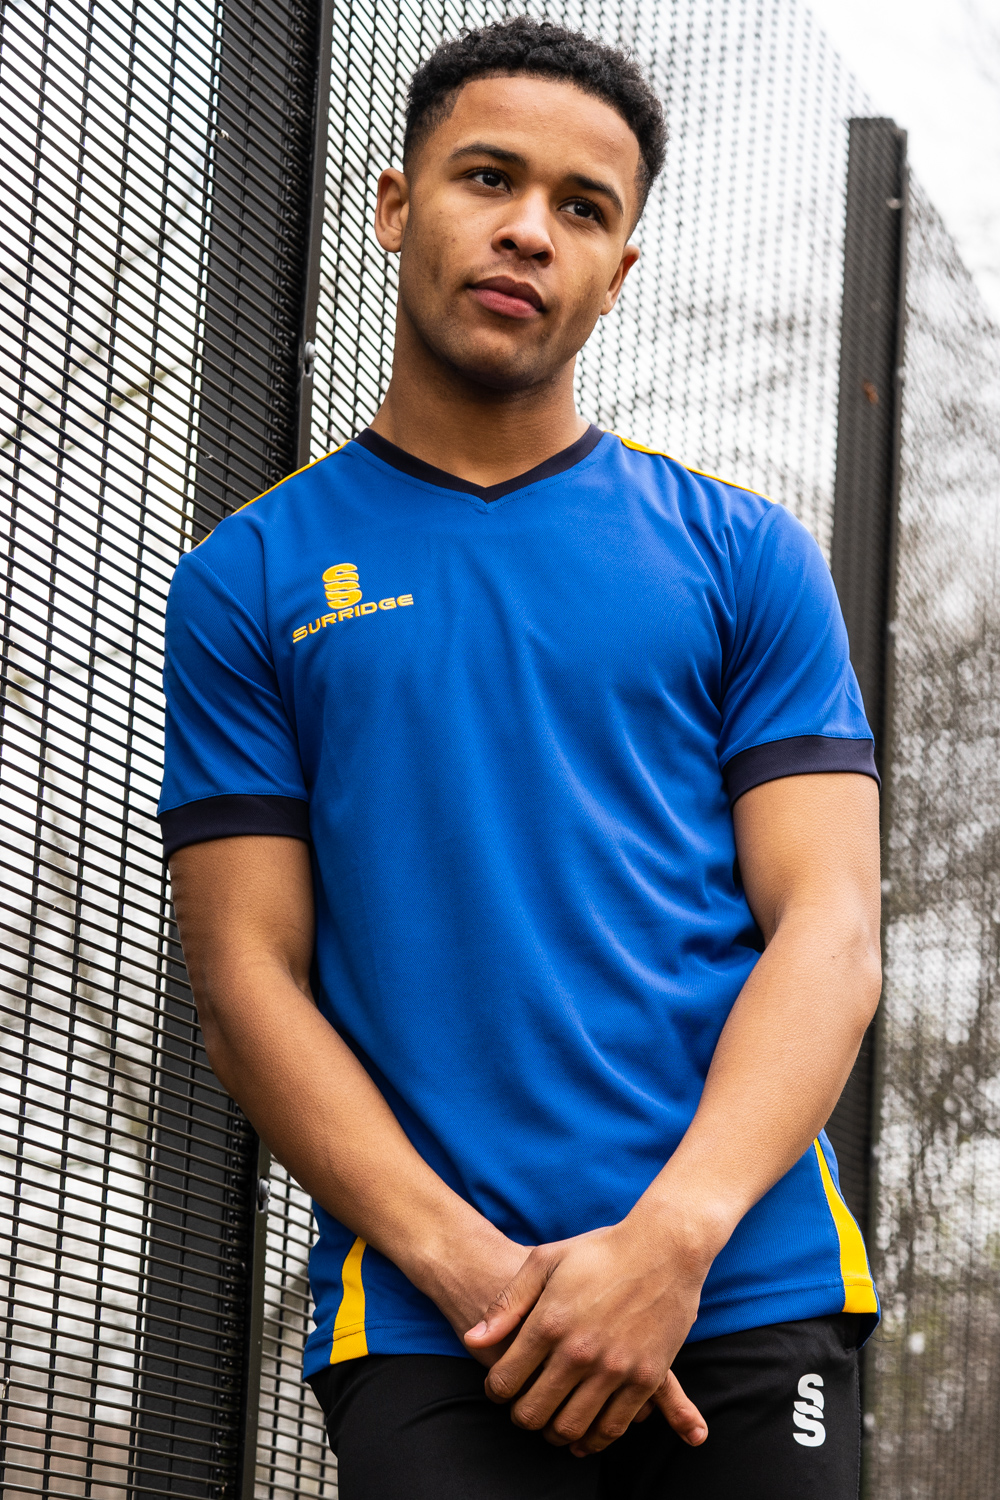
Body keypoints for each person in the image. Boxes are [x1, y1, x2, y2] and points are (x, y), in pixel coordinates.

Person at [159, 16, 882, 1499]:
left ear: (620, 269)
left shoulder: (746, 555)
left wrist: (669, 1243)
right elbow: (244, 979)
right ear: (395, 205)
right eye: (489, 177)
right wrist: (483, 1277)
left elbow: (832, 928)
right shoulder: (251, 577)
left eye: (583, 207)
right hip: (439, 1321)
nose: (530, 231)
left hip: (740, 1284)